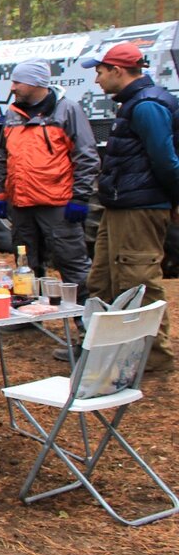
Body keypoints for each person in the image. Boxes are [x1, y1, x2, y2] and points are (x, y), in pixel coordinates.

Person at [82, 41, 179, 374]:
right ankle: (111, 349)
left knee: (138, 279)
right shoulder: (132, 104)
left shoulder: (147, 106)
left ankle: (153, 358)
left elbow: (166, 160)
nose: (97, 79)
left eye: (100, 72)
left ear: (117, 71)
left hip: (140, 206)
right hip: (121, 205)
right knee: (105, 278)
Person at [0, 58, 98, 308]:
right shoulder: (12, 114)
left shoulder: (67, 110)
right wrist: (0, 193)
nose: (13, 87)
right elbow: (2, 157)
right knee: (26, 265)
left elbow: (87, 155)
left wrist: (80, 197)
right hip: (21, 204)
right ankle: (29, 312)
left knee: (71, 262)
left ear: (35, 82)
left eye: (18, 82)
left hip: (57, 204)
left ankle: (87, 322)